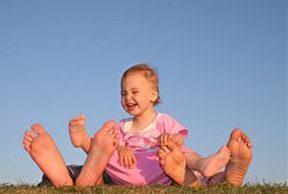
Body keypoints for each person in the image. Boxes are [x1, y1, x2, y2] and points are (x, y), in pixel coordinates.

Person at [23, 63, 252, 187]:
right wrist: (121, 147)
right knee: (107, 150)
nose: (127, 98)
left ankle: (218, 169)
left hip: (158, 165)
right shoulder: (123, 126)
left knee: (180, 152)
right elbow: (117, 146)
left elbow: (180, 138)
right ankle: (85, 145)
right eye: (123, 93)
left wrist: (170, 141)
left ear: (153, 94)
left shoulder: (163, 121)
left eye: (134, 92)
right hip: (130, 168)